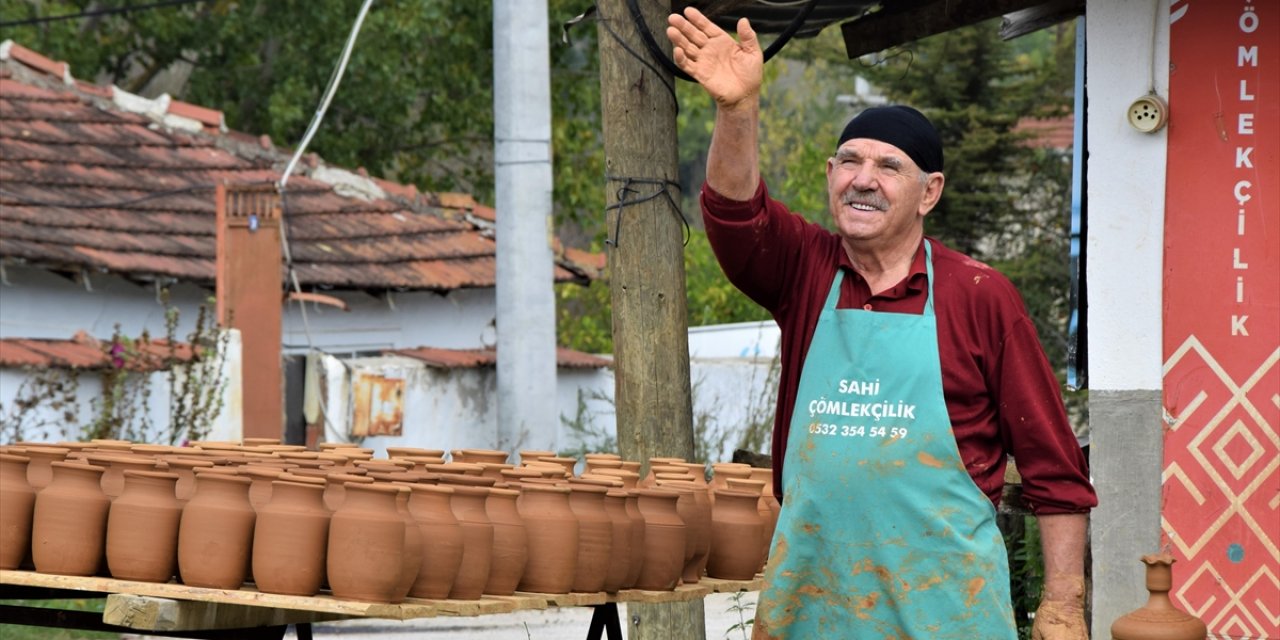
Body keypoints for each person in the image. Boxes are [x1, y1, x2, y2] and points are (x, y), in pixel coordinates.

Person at [666, 8, 1097, 640]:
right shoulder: (805, 270)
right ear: (830, 177)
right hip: (811, 611)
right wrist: (738, 110)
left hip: (946, 613)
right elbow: (734, 214)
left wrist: (1061, 608)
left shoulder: (979, 296)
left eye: (888, 167)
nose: (863, 179)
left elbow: (1056, 475)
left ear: (929, 192)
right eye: (849, 161)